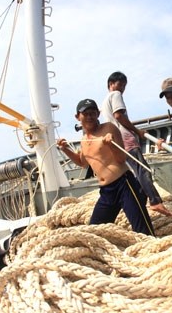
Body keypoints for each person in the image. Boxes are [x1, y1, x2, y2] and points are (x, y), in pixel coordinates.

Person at [57, 98, 156, 235]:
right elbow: (82, 163)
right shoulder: (84, 140)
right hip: (106, 192)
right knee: (94, 232)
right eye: (86, 114)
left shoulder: (108, 128)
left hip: (124, 184)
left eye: (93, 113)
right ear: (77, 117)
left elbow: (121, 158)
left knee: (143, 230)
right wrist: (65, 149)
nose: (90, 117)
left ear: (98, 114)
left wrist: (110, 144)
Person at [101, 71, 172, 216]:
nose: (122, 89)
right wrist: (137, 131)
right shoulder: (115, 95)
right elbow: (119, 116)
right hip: (126, 139)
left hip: (117, 141)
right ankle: (155, 201)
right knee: (142, 170)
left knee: (135, 173)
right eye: (120, 84)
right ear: (111, 84)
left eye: (124, 86)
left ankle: (140, 202)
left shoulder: (104, 102)